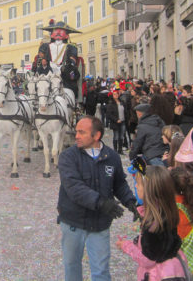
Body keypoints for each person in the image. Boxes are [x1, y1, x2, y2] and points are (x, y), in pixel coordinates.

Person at [57, 116, 139, 281]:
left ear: (97, 136)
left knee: (101, 271)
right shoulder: (68, 156)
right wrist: (101, 202)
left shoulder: (112, 157)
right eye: (77, 131)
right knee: (72, 268)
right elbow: (74, 188)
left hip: (100, 224)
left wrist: (131, 202)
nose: (76, 136)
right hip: (73, 222)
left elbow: (119, 183)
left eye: (82, 132)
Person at [116, 163, 187, 281]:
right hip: (173, 270)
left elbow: (148, 260)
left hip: (157, 275)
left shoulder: (153, 223)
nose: (136, 186)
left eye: (138, 184)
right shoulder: (166, 211)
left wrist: (126, 246)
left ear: (150, 190)